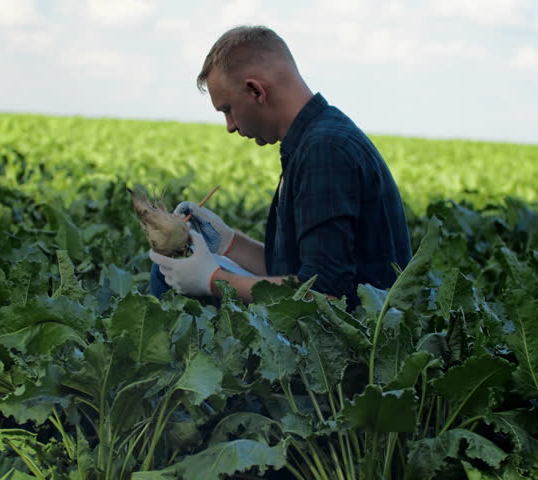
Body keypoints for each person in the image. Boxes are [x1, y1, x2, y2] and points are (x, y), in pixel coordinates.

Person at [149, 25, 412, 310]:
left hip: (352, 340)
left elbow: (325, 292)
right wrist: (227, 243)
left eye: (227, 109)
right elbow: (296, 270)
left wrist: (213, 280)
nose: (230, 126)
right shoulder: (315, 139)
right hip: (332, 320)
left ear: (255, 91)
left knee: (165, 277)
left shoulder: (325, 150)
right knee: (177, 266)